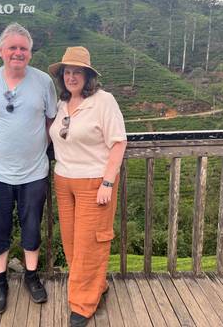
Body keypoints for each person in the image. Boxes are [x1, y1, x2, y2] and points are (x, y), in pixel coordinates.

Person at [0, 22, 57, 314]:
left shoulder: (44, 82)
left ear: (30, 53)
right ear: (1, 51)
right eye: (13, 48)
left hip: (34, 172)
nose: (18, 53)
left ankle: (31, 277)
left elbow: (50, 124)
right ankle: (0, 282)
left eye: (23, 48)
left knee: (32, 227)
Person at [48, 46, 127, 326]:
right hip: (63, 180)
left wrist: (108, 181)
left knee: (90, 243)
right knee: (71, 242)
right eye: (67, 72)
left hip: (93, 181)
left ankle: (83, 304)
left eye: (76, 72)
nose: (71, 77)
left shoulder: (103, 101)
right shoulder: (61, 104)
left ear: (87, 76)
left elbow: (118, 142)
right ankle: (96, 285)